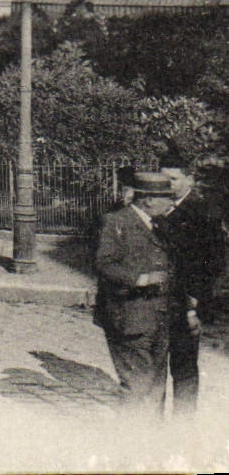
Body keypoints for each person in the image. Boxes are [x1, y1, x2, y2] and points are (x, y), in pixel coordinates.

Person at [93, 170, 176, 415]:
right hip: (128, 315)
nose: (171, 202)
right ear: (148, 199)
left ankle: (155, 442)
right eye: (166, 197)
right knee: (137, 385)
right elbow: (104, 263)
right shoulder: (117, 221)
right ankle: (132, 440)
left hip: (158, 317)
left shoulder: (160, 224)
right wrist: (140, 279)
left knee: (157, 386)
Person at [155, 148, 227, 415]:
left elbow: (214, 262)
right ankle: (154, 424)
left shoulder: (203, 214)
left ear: (189, 180)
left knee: (184, 368)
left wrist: (195, 301)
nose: (167, 184)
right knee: (155, 367)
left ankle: (183, 427)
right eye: (163, 179)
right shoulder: (157, 208)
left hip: (186, 302)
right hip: (159, 301)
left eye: (173, 179)